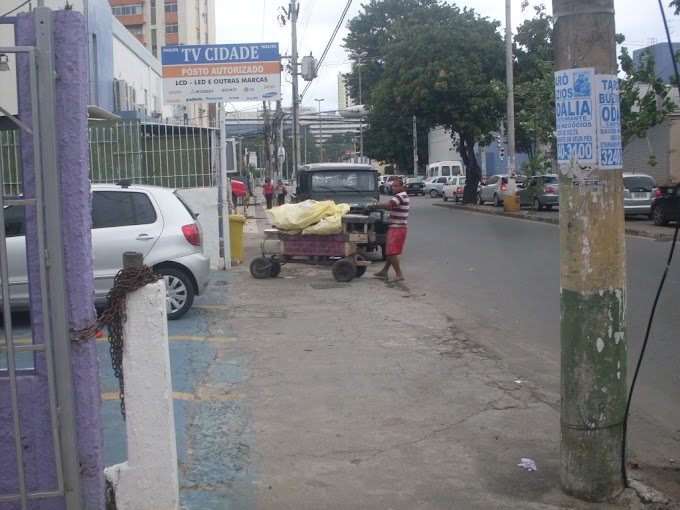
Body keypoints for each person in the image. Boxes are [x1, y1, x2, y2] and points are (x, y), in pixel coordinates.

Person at [370, 177, 409, 283]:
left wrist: (375, 205)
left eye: (396, 186)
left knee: (391, 252)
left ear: (402, 186)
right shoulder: (402, 196)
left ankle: (399, 274)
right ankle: (385, 270)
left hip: (398, 227)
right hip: (396, 227)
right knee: (389, 251)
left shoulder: (400, 196)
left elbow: (388, 206)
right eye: (393, 186)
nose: (394, 188)